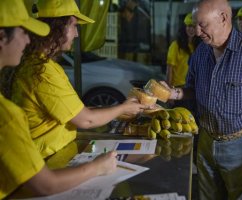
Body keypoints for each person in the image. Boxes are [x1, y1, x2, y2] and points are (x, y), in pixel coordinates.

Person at [164, 0, 242, 199]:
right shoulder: (200, 52)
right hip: (205, 143)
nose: (198, 32)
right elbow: (193, 89)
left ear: (223, 18)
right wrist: (174, 93)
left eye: (203, 25)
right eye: (195, 25)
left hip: (241, 146)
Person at [0, 0, 118, 199]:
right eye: (23, 31)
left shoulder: (34, 66)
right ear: (2, 38)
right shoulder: (9, 112)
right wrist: (97, 167)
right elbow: (45, 185)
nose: (28, 39)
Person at [1, 0, 147, 159]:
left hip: (56, 153)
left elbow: (76, 111)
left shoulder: (45, 64)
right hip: (45, 159)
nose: (76, 34)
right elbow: (86, 120)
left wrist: (121, 110)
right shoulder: (42, 71)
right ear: (58, 27)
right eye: (73, 26)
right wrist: (123, 109)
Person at [166, 13, 200, 88]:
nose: (191, 29)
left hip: (193, 86)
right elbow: (169, 69)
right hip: (178, 87)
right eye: (189, 26)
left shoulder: (199, 46)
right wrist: (169, 92)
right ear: (184, 27)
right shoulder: (176, 45)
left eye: (194, 27)